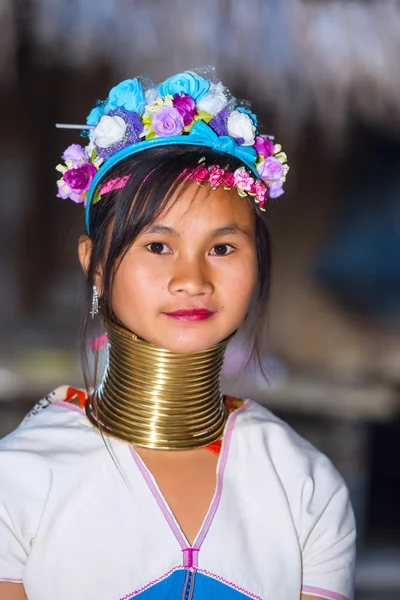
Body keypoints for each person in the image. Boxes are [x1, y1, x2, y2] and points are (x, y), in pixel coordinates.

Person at [0, 70, 355, 600]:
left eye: (222, 248)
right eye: (158, 246)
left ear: (257, 263)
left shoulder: (303, 485)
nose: (192, 280)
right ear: (95, 265)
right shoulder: (17, 483)